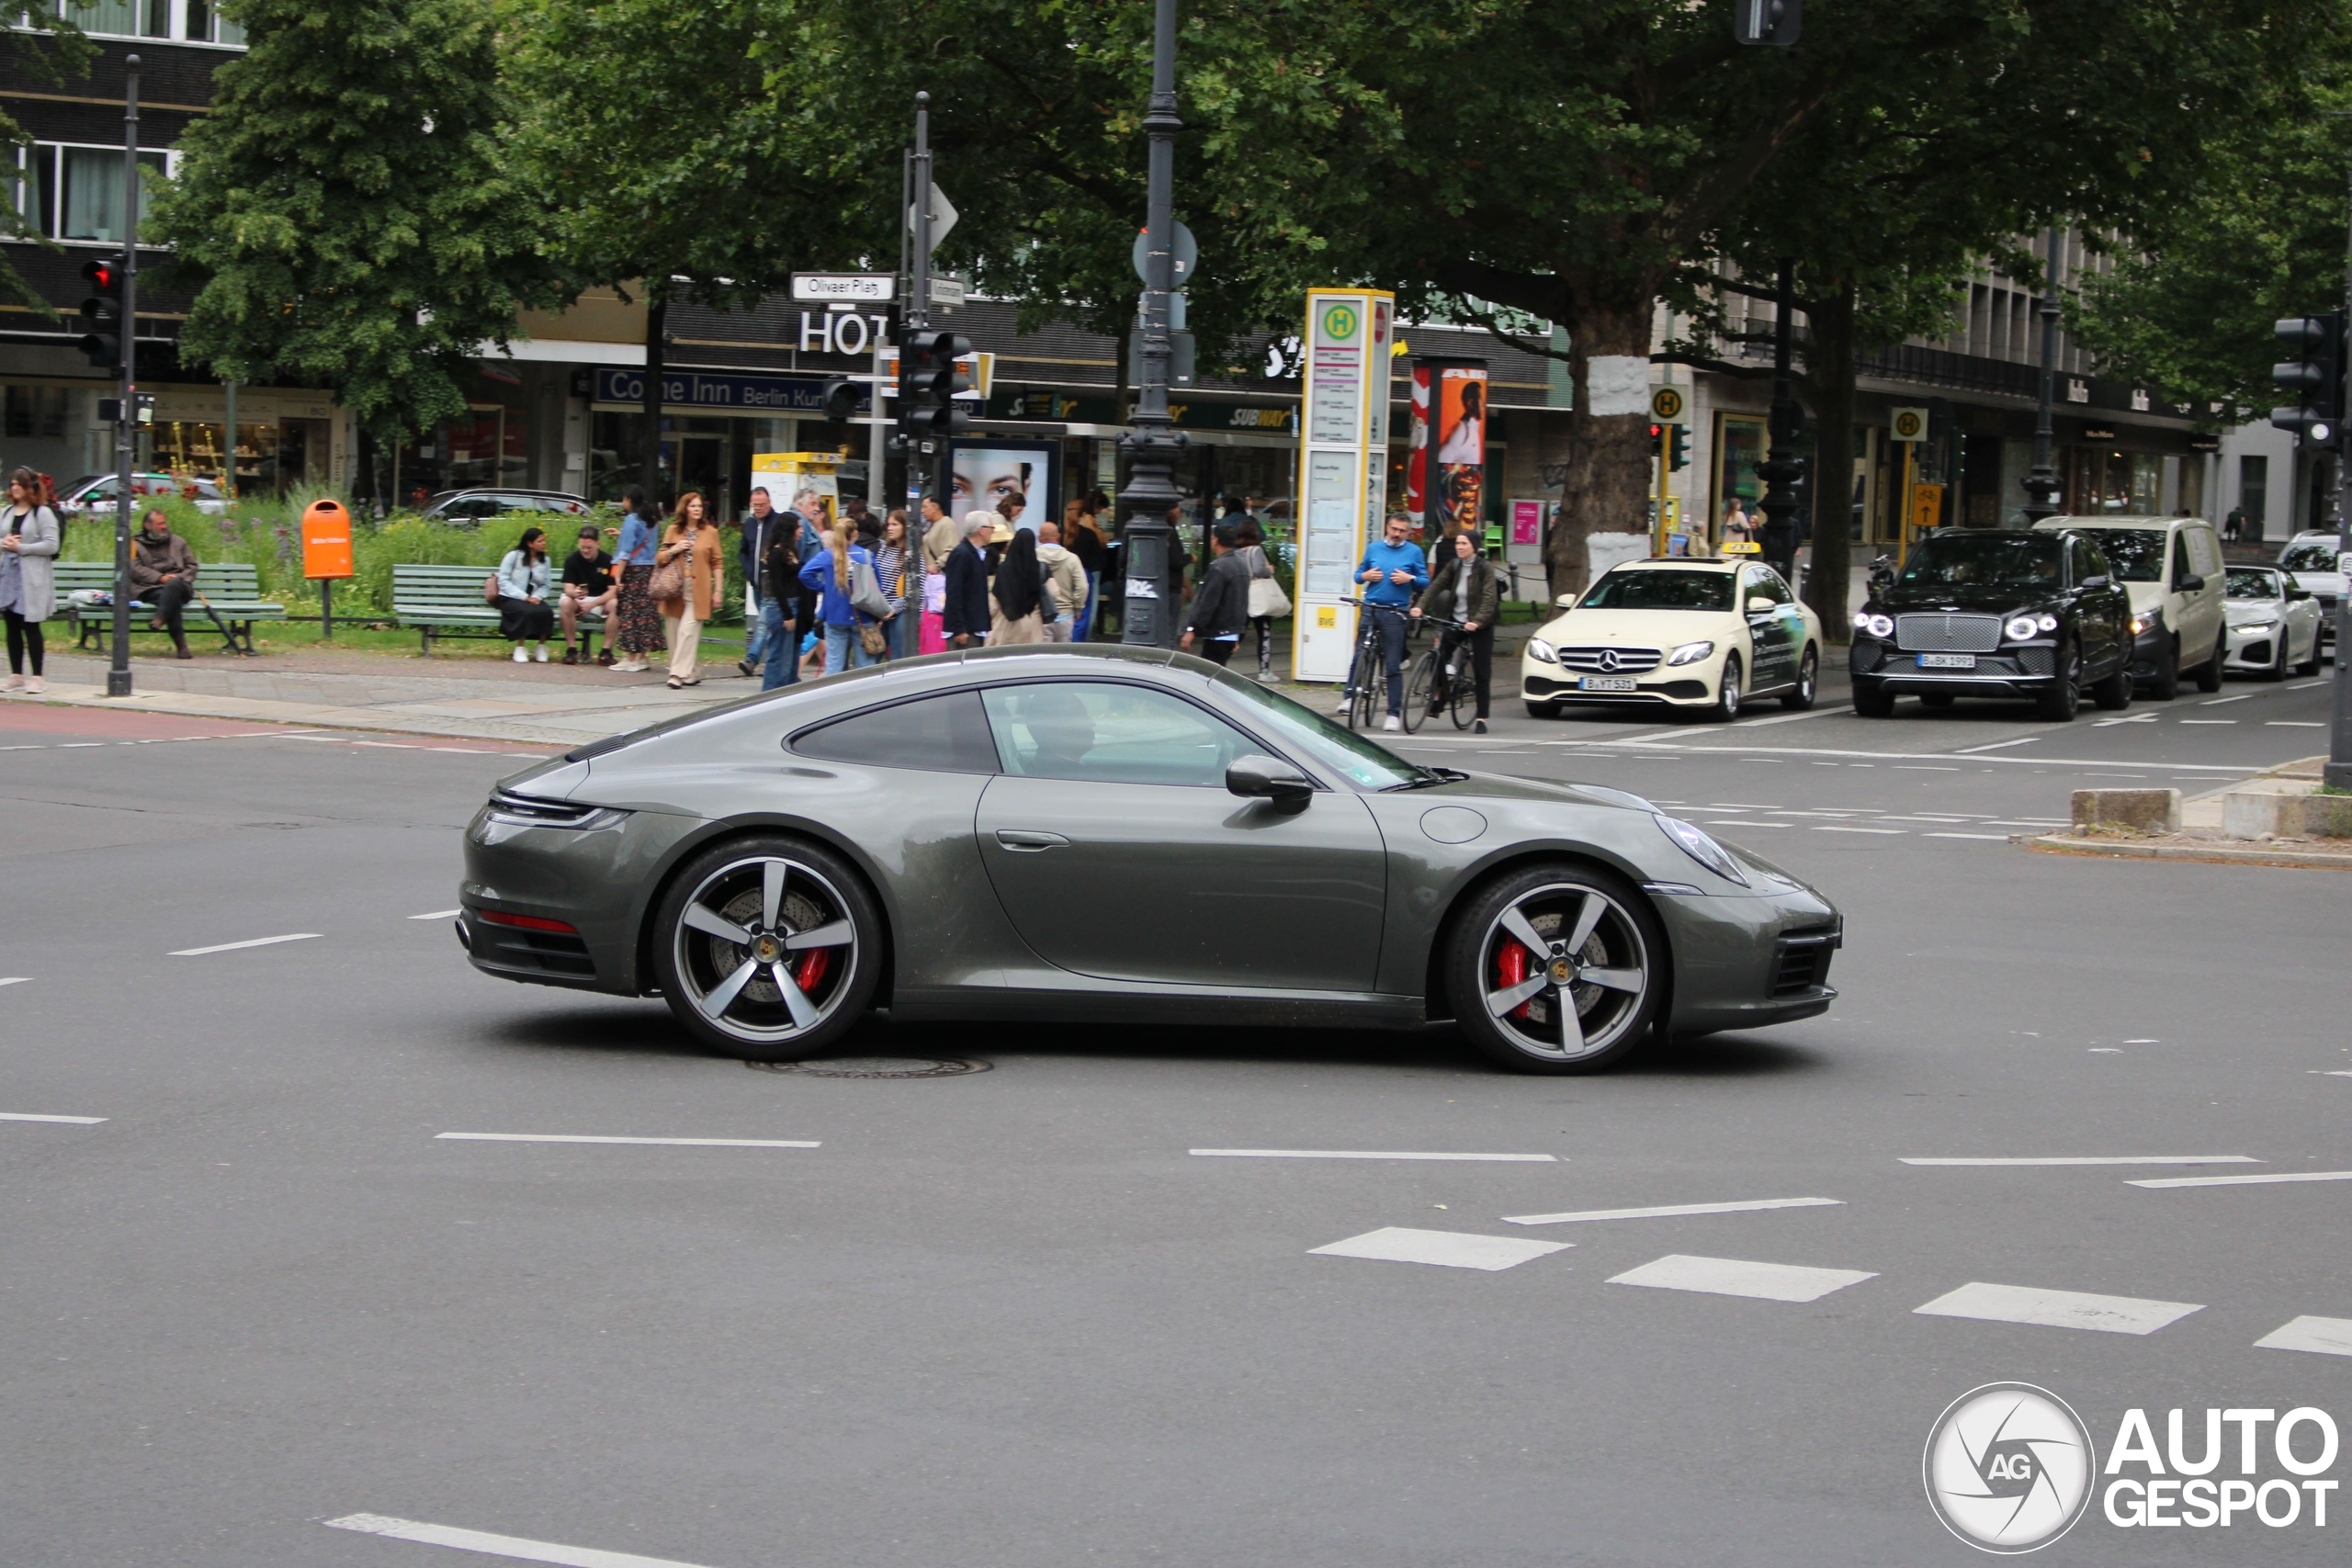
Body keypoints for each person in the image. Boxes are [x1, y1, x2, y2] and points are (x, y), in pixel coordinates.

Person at [1412, 527, 1503, 733]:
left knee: (1482, 671)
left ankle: (1481, 718)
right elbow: (1436, 585)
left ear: (1474, 547)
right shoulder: (1455, 566)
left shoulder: (1484, 568)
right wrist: (1420, 606)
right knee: (1439, 657)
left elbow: (1490, 599)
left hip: (1480, 625)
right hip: (1457, 621)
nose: (1460, 547)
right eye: (1458, 543)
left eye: (1464, 544)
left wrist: (1477, 621)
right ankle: (1439, 698)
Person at [1353, 512, 1429, 729]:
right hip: (1371, 607)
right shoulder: (1374, 548)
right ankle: (1350, 697)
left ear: (1408, 532)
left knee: (1392, 664)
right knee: (1360, 653)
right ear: (1388, 527)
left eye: (1402, 531)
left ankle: (1393, 713)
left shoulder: (1414, 552)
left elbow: (1424, 582)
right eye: (1394, 529)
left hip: (1395, 611)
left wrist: (1410, 579)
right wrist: (1364, 577)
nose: (1397, 534)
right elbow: (1358, 574)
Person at [656, 491, 724, 689]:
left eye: (700, 506)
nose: (697, 509)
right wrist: (674, 549)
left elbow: (718, 563)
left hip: (699, 589)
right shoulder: (673, 530)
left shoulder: (711, 532)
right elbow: (660, 558)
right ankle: (692, 672)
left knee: (688, 632)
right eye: (693, 506)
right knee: (675, 634)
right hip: (675, 588)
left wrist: (718, 590)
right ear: (685, 508)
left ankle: (676, 674)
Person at [0, 467, 59, 694]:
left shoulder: (41, 513)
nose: (14, 488)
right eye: (12, 484)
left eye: (19, 484)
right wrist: (5, 544)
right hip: (9, 574)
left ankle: (37, 676)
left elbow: (51, 545)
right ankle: (16, 674)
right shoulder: (6, 512)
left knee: (31, 625)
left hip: (31, 577)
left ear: (29, 487)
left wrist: (21, 547)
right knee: (11, 625)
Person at [799, 523, 878, 675]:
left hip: (835, 616)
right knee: (866, 668)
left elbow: (805, 574)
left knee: (834, 666)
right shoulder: (867, 556)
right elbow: (877, 586)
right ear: (855, 533)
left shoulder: (827, 555)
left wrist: (825, 588)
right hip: (863, 617)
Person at [128, 507, 201, 659]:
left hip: (180, 585)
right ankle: (182, 646)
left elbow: (192, 566)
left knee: (173, 587)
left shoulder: (178, 542)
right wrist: (159, 578)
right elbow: (133, 568)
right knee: (170, 599)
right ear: (148, 525)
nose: (164, 527)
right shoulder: (134, 545)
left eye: (164, 523)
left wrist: (178, 577)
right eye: (160, 524)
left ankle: (160, 618)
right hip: (150, 588)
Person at [1180, 522, 1250, 666]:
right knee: (1217, 672)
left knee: (1208, 675)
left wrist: (1192, 629)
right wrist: (1238, 631)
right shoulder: (1241, 565)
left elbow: (1208, 602)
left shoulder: (1219, 568)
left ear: (1215, 540)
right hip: (1231, 632)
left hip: (1217, 632)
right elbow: (1242, 601)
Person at [610, 484, 663, 673]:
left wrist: (618, 575)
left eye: (624, 499)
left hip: (633, 571)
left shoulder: (631, 519)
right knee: (645, 613)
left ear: (629, 500)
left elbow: (626, 551)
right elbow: (645, 543)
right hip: (649, 570)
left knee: (630, 613)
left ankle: (629, 658)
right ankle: (642, 657)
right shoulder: (652, 521)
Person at [737, 486, 786, 676]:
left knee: (764, 622)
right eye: (755, 505)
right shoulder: (749, 524)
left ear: (769, 503)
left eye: (762, 505)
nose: (758, 508)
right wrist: (748, 570)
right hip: (756, 584)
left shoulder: (777, 522)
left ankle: (751, 659)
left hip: (771, 584)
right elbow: (743, 551)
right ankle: (778, 659)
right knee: (771, 624)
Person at [558, 524, 617, 665]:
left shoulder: (610, 561)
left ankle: (606, 651)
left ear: (598, 544)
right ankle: (571, 649)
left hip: (600, 600)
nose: (585, 551)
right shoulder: (572, 560)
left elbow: (613, 590)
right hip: (579, 599)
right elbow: (568, 588)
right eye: (582, 547)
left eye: (589, 548)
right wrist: (574, 593)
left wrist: (592, 604)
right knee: (566, 603)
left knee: (616, 604)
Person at [496, 525, 556, 662]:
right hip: (510, 597)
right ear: (530, 543)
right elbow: (503, 580)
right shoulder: (514, 556)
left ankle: (541, 647)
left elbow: (546, 585)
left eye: (543, 540)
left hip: (533, 597)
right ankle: (520, 648)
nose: (544, 543)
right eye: (540, 541)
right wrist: (524, 597)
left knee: (547, 612)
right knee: (525, 611)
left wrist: (536, 597)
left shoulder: (545, 561)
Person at [1232, 519, 1280, 679]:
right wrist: (1269, 569)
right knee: (1264, 632)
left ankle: (1222, 660)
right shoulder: (1256, 550)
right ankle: (1264, 670)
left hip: (1241, 594)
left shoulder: (1236, 551)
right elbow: (1259, 570)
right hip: (1258, 595)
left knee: (1239, 631)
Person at [990, 525, 1049, 645]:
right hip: (1034, 624)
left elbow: (994, 602)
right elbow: (1054, 592)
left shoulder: (1003, 569)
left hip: (1008, 624)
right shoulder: (1040, 568)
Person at [943, 512, 994, 649]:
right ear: (981, 530)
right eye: (991, 528)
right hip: (965, 632)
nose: (993, 532)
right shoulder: (962, 554)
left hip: (974, 628)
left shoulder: (977, 554)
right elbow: (954, 592)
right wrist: (959, 628)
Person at [1035, 521, 1087, 644]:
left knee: (1042, 656)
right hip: (1065, 615)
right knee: (1062, 656)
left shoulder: (1033, 556)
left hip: (1040, 614)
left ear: (1039, 538)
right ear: (1058, 536)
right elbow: (1083, 587)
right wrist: (1078, 608)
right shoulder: (1072, 558)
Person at [873, 509, 914, 660]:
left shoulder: (913, 553)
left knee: (897, 657)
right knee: (873, 655)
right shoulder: (885, 548)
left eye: (894, 524)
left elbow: (916, 590)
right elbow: (876, 577)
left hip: (901, 611)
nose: (889, 528)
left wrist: (893, 609)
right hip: (881, 609)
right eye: (888, 524)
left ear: (905, 527)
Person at [919, 494, 957, 655]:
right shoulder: (934, 525)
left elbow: (951, 549)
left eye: (925, 507)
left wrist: (938, 564)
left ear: (935, 507)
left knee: (937, 615)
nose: (922, 511)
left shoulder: (947, 524)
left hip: (940, 580)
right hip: (932, 580)